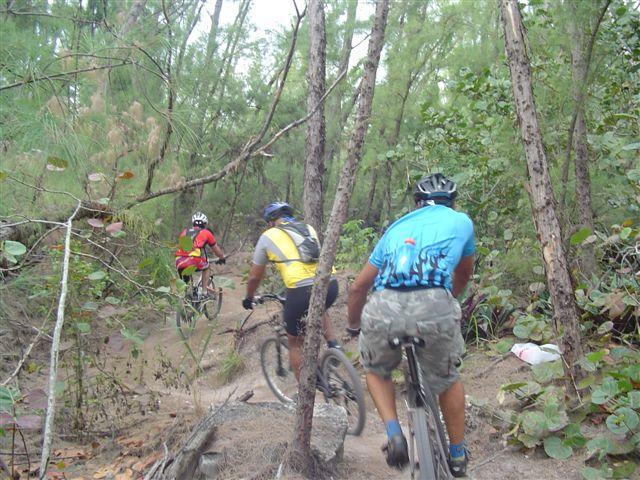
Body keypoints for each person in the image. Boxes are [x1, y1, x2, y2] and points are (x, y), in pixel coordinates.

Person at [347, 173, 475, 477]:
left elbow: (358, 288)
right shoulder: (461, 222)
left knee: (377, 372)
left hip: (383, 307)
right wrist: (444, 300)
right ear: (452, 203)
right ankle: (457, 456)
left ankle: (393, 432)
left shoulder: (396, 229)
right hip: (434, 307)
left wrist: (353, 326)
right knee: (447, 379)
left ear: (416, 204)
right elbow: (464, 274)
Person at [242, 202, 339, 380]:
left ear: (271, 222)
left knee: (295, 343)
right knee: (319, 306)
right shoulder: (308, 228)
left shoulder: (268, 235)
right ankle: (334, 346)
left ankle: (306, 392)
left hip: (300, 290)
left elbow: (255, 276)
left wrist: (248, 297)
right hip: (330, 283)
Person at [175, 212, 225, 293]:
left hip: (179, 261)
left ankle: (183, 298)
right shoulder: (206, 233)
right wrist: (221, 257)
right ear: (205, 224)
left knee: (184, 285)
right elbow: (216, 249)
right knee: (207, 266)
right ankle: (204, 291)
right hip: (193, 260)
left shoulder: (184, 232)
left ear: (193, 223)